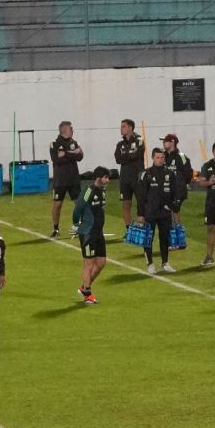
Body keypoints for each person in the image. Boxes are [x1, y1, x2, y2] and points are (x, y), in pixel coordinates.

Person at [136, 148, 182, 275]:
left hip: (165, 212)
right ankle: (150, 263)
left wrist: (173, 207)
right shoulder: (146, 174)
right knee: (148, 238)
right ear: (152, 158)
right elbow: (141, 196)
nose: (160, 160)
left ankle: (165, 263)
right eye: (158, 157)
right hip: (150, 212)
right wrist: (140, 214)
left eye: (162, 157)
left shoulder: (170, 174)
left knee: (165, 238)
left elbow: (174, 193)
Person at [73, 167, 111, 305]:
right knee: (89, 263)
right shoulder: (89, 191)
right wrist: (76, 225)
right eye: (105, 177)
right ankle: (87, 294)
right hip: (88, 233)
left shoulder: (102, 191)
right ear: (98, 177)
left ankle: (84, 287)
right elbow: (77, 209)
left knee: (101, 263)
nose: (107, 180)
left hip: (98, 233)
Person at [49, 121, 84, 238]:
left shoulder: (74, 142)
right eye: (71, 129)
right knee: (57, 205)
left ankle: (79, 227)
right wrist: (72, 154)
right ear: (64, 130)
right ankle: (55, 229)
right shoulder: (54, 144)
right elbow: (56, 159)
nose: (73, 130)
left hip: (74, 180)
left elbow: (80, 156)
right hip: (60, 181)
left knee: (78, 204)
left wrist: (66, 154)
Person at [114, 119, 145, 230]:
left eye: (124, 126)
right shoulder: (120, 144)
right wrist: (129, 155)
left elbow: (136, 154)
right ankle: (129, 230)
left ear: (131, 128)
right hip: (124, 178)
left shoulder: (139, 140)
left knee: (141, 203)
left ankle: (142, 229)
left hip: (137, 177)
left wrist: (125, 156)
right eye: (121, 126)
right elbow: (118, 159)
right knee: (126, 204)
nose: (121, 128)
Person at [161, 134, 194, 224]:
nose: (163, 143)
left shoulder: (181, 156)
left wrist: (181, 184)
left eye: (166, 141)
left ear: (172, 142)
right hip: (165, 189)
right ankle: (171, 234)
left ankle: (177, 235)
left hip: (178, 190)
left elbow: (188, 174)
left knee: (174, 212)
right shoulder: (162, 156)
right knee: (166, 213)